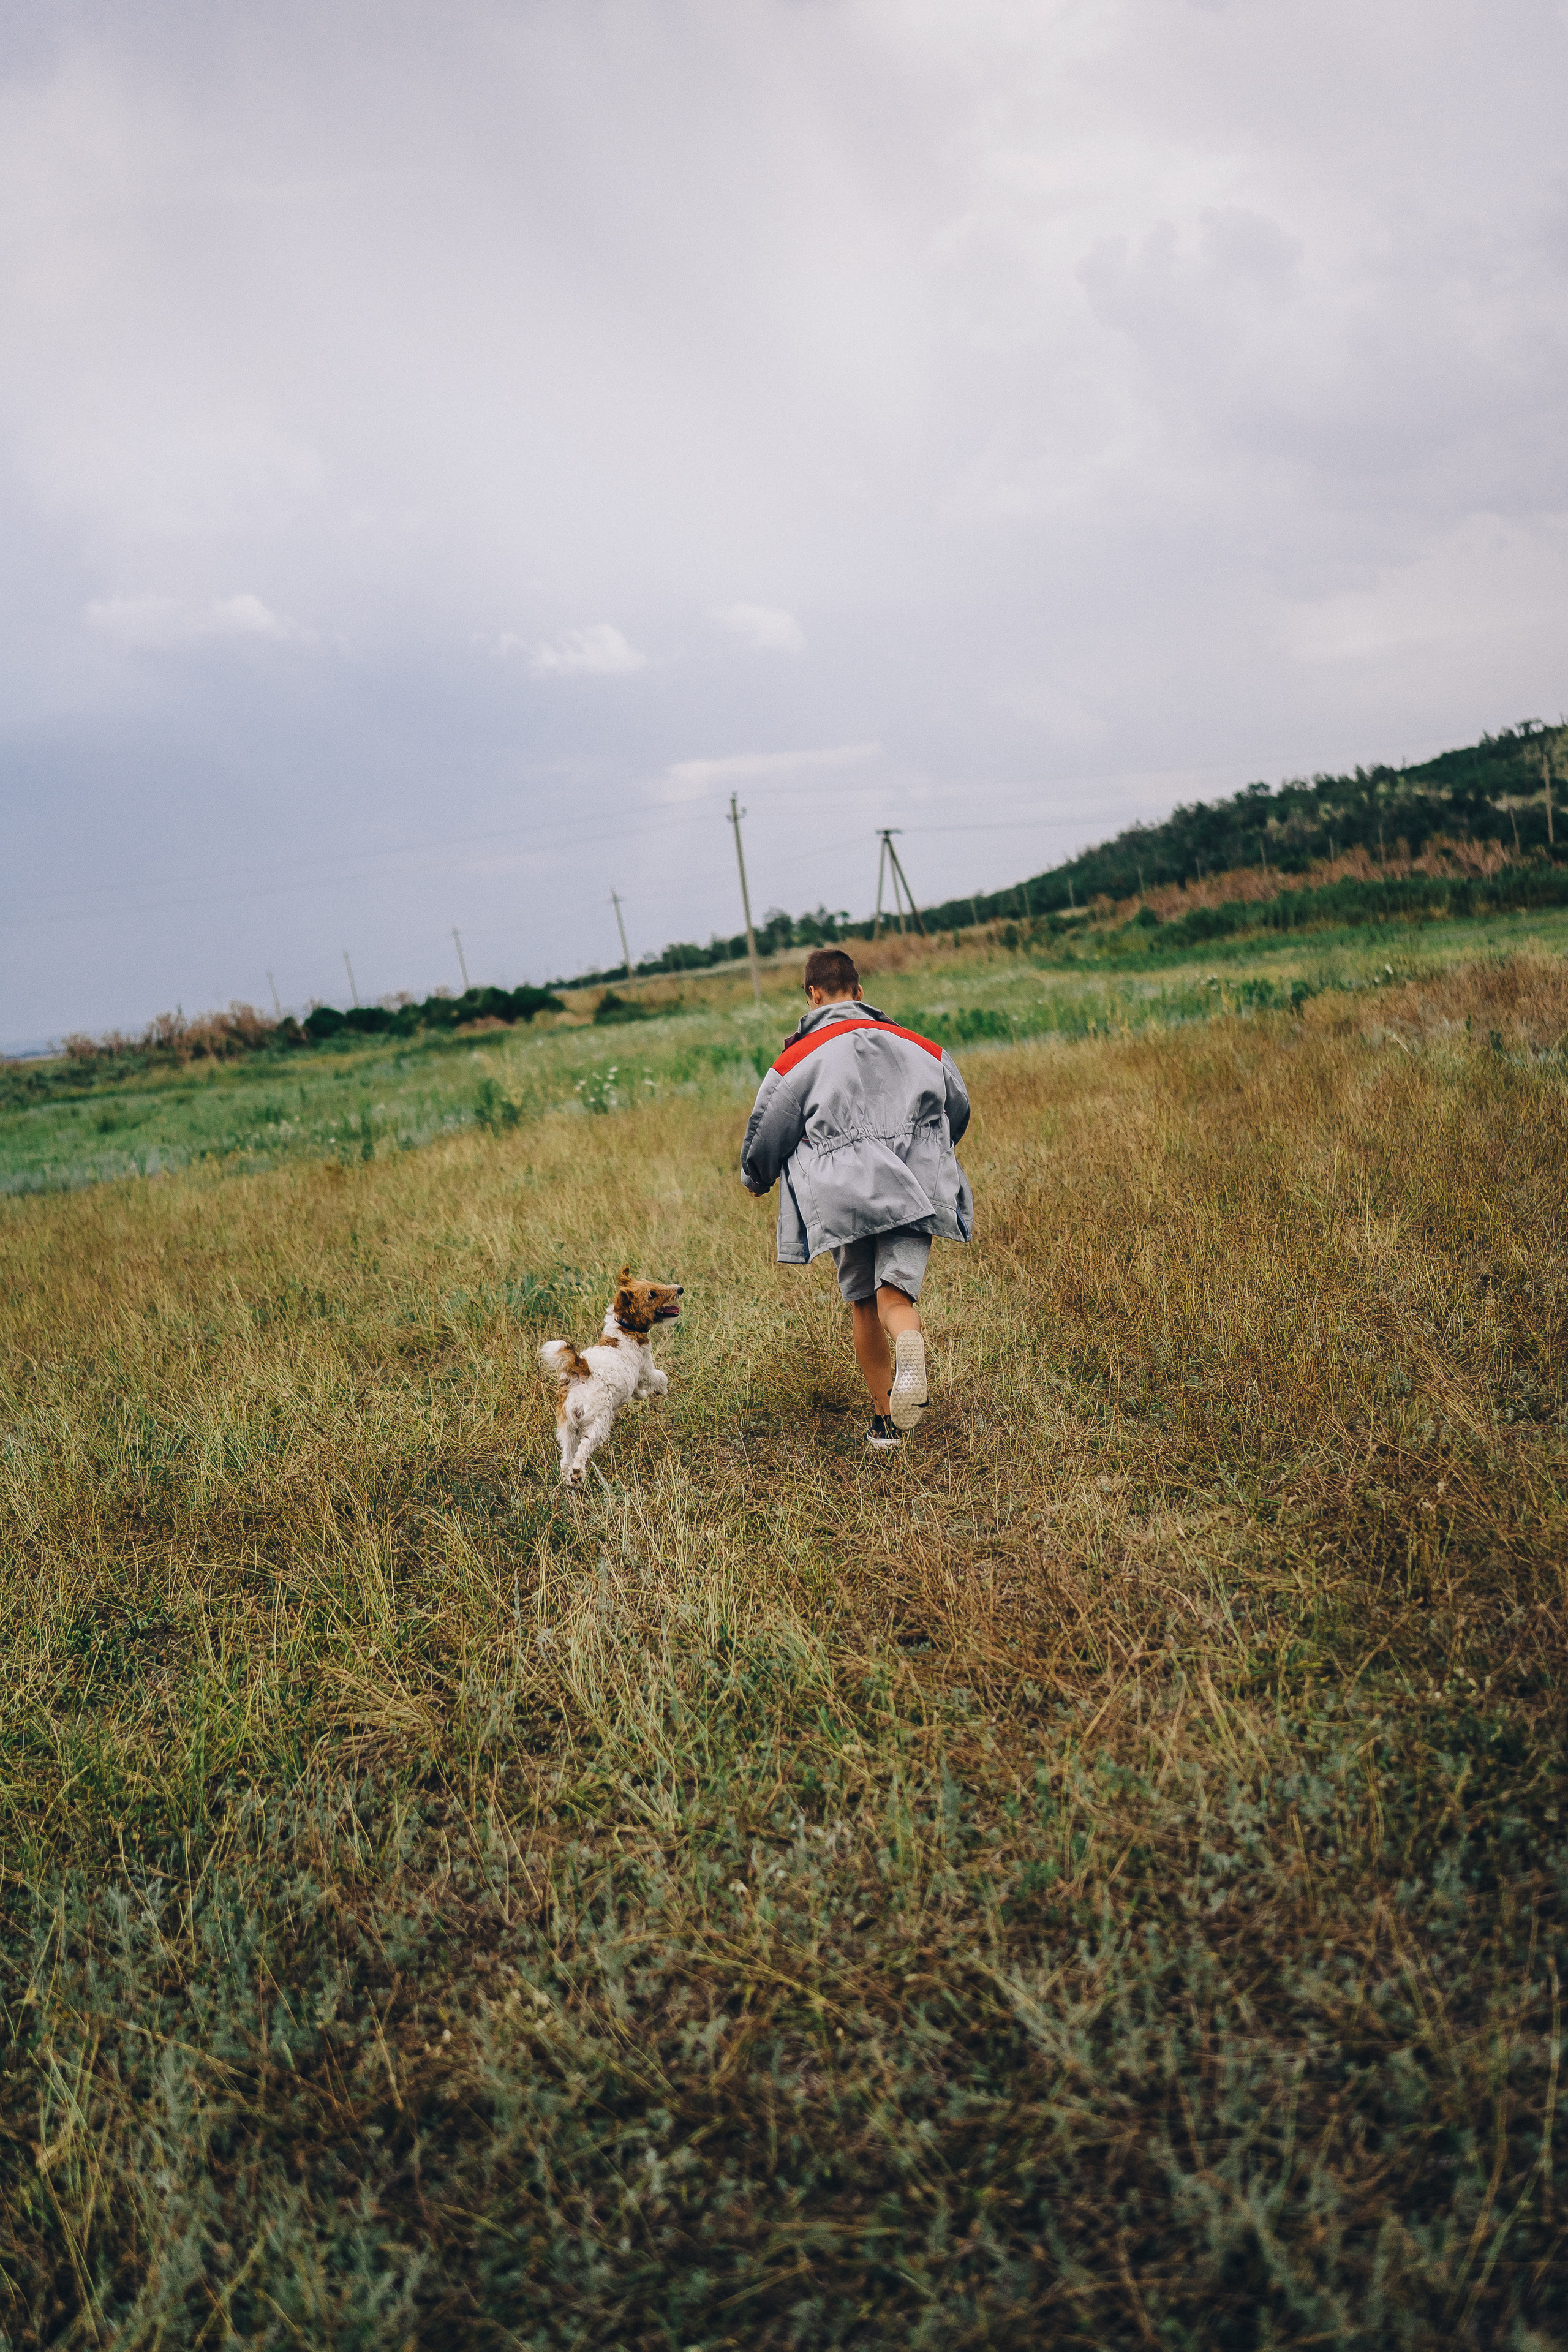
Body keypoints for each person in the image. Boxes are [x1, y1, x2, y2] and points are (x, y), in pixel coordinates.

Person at [739, 946, 973, 1450]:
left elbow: (767, 1132)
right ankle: (910, 1341)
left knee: (863, 1302)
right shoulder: (919, 1046)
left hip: (847, 1193)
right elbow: (958, 1104)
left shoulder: (797, 1059)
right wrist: (934, 1150)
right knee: (896, 1296)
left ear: (812, 994)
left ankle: (887, 1422)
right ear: (861, 992)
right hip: (917, 1184)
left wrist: (755, 1178)